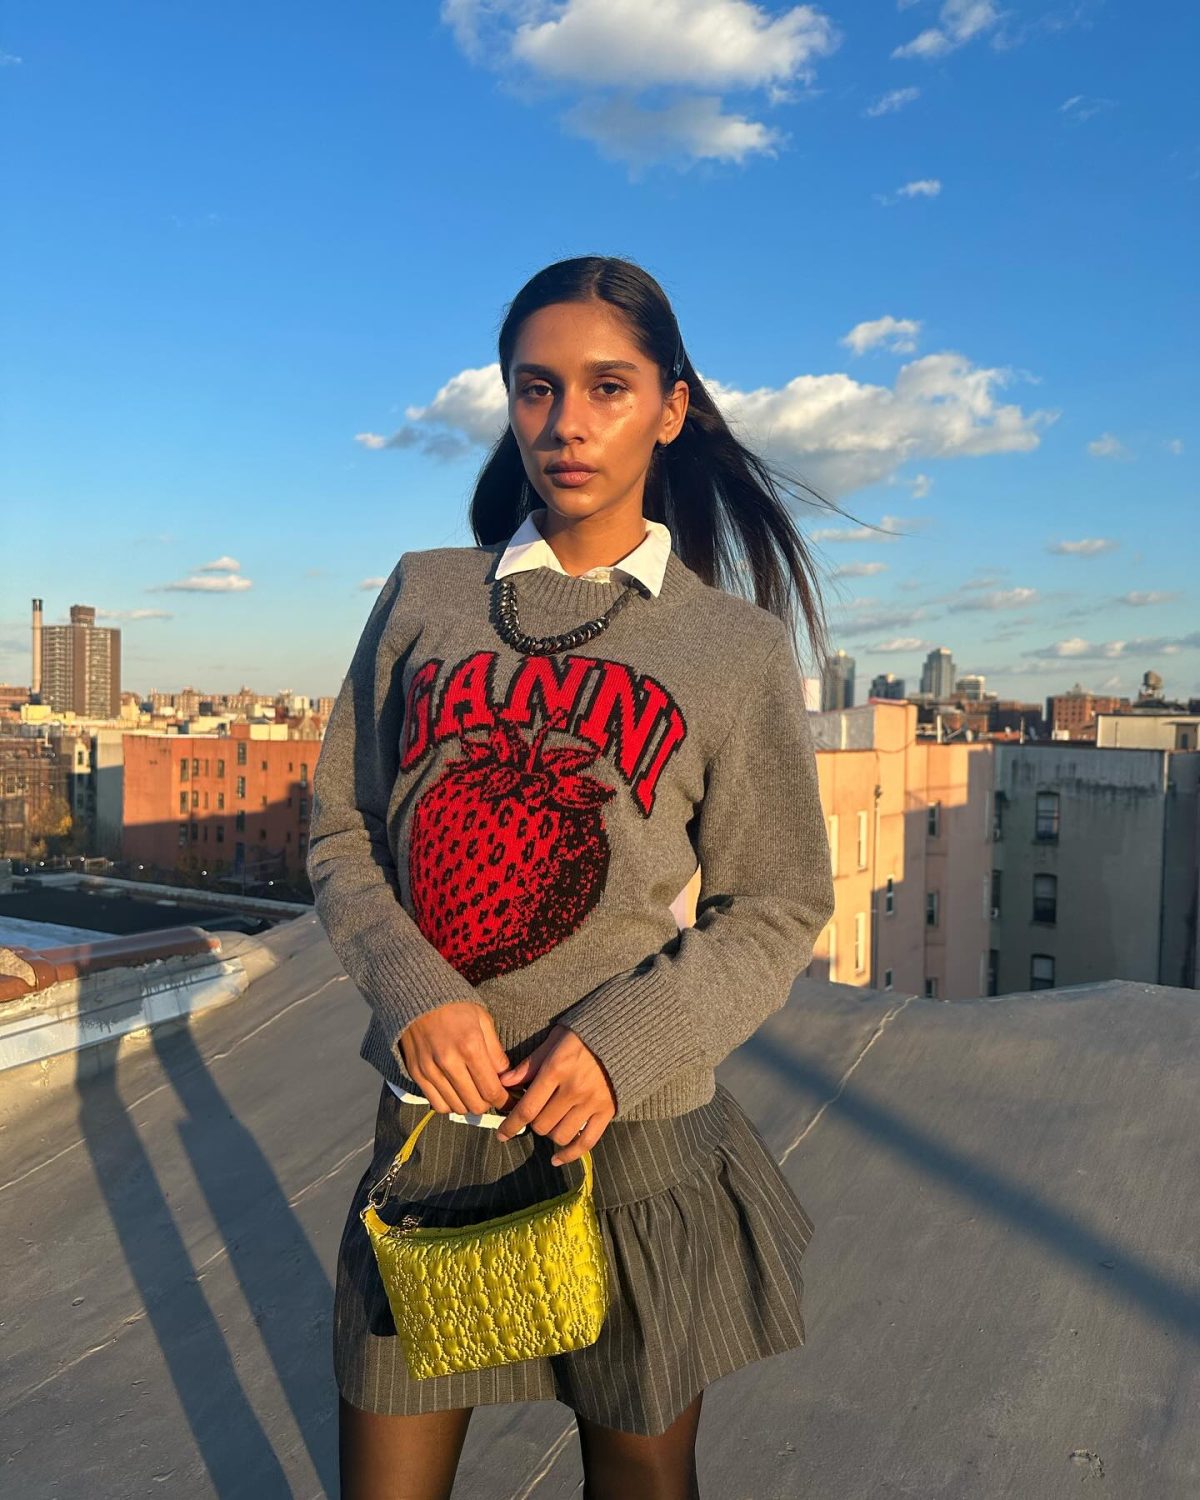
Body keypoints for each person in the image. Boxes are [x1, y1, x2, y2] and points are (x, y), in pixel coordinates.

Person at [307, 254, 839, 1500]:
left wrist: (620, 1043)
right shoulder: (426, 594)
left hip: (639, 1147)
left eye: (609, 387)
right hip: (433, 1135)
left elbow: (778, 900)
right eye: (537, 389)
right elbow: (342, 828)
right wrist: (414, 992)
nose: (568, 422)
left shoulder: (731, 647)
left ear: (671, 406)